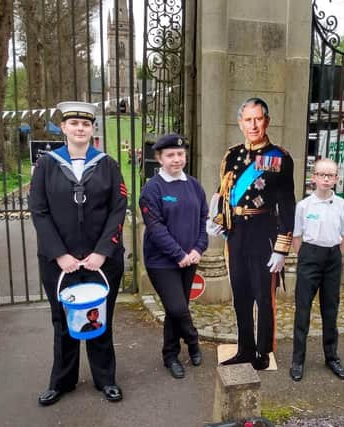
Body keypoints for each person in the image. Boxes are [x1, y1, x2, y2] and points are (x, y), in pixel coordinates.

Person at [29, 101, 127, 406]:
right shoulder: (47, 165)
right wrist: (60, 255)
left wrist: (102, 252)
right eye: (74, 124)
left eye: (86, 124)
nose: (80, 129)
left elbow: (118, 208)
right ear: (64, 128)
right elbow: (38, 210)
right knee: (62, 321)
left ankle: (105, 379)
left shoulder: (107, 164)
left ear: (92, 128)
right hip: (60, 262)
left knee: (101, 319)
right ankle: (62, 381)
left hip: (101, 261)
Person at [210, 97, 295, 370]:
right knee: (241, 294)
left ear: (266, 121)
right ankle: (244, 348)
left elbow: (287, 204)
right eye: (248, 120)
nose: (254, 125)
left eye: (258, 119)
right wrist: (218, 219)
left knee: (263, 297)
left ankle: (262, 352)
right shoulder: (231, 155)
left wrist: (282, 247)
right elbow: (223, 193)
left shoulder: (280, 158)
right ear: (241, 123)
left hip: (263, 233)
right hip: (236, 234)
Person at [139, 133, 208, 379]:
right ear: (159, 158)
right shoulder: (152, 189)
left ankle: (170, 355)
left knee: (175, 309)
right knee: (178, 308)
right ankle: (193, 341)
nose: (176, 159)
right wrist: (178, 254)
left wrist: (198, 249)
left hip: (190, 259)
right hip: (162, 262)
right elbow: (155, 228)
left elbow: (203, 222)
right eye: (170, 155)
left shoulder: (194, 186)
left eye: (180, 154)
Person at [289, 158, 344, 381]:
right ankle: (298, 359)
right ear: (313, 177)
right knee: (303, 310)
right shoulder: (304, 206)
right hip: (309, 257)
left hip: (332, 258)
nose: (326, 179)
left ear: (336, 179)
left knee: (330, 309)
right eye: (322, 175)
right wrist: (306, 257)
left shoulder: (343, 205)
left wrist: (333, 254)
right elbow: (296, 236)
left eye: (331, 175)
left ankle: (331, 357)